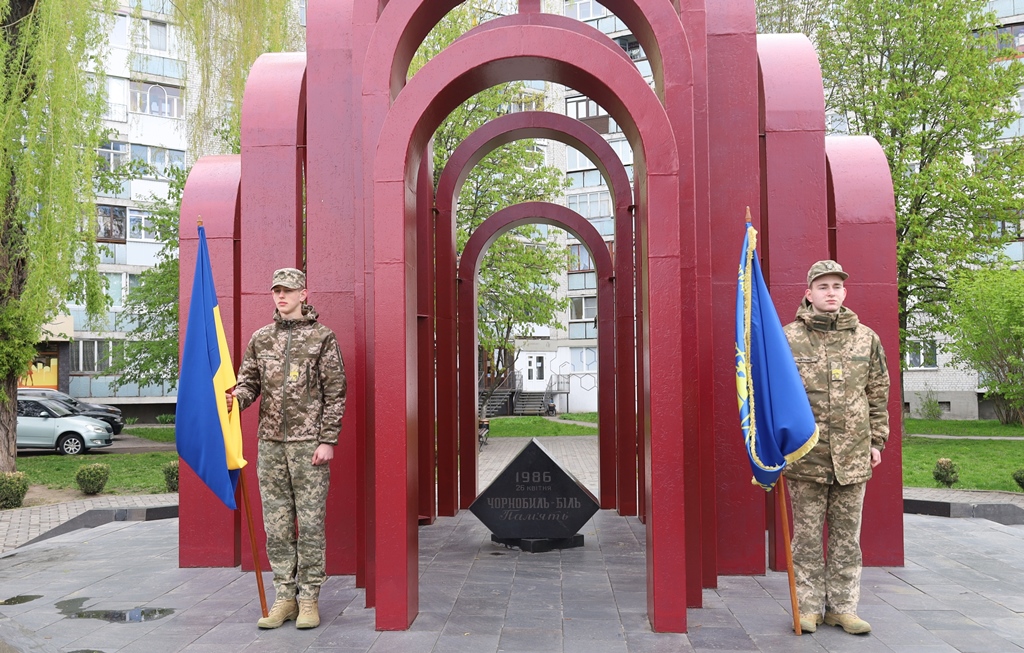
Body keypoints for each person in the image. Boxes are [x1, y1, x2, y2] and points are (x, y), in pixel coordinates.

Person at [226, 267, 347, 630]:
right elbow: (248, 382)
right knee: (276, 525)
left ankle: (309, 598)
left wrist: (328, 440)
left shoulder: (323, 338)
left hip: (309, 445)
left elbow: (335, 393)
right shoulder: (261, 339)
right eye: (276, 290)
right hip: (271, 445)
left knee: (310, 523)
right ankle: (285, 598)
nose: (281, 296)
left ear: (303, 294)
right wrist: (236, 399)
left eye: (288, 290)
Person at [783, 260, 889, 636]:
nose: (831, 292)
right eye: (823, 286)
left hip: (852, 455)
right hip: (806, 456)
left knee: (847, 538)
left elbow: (878, 392)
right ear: (808, 293)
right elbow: (774, 396)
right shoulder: (788, 338)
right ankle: (809, 608)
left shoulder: (866, 338)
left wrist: (877, 440)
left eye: (837, 286)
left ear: (845, 292)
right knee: (807, 538)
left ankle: (843, 608)